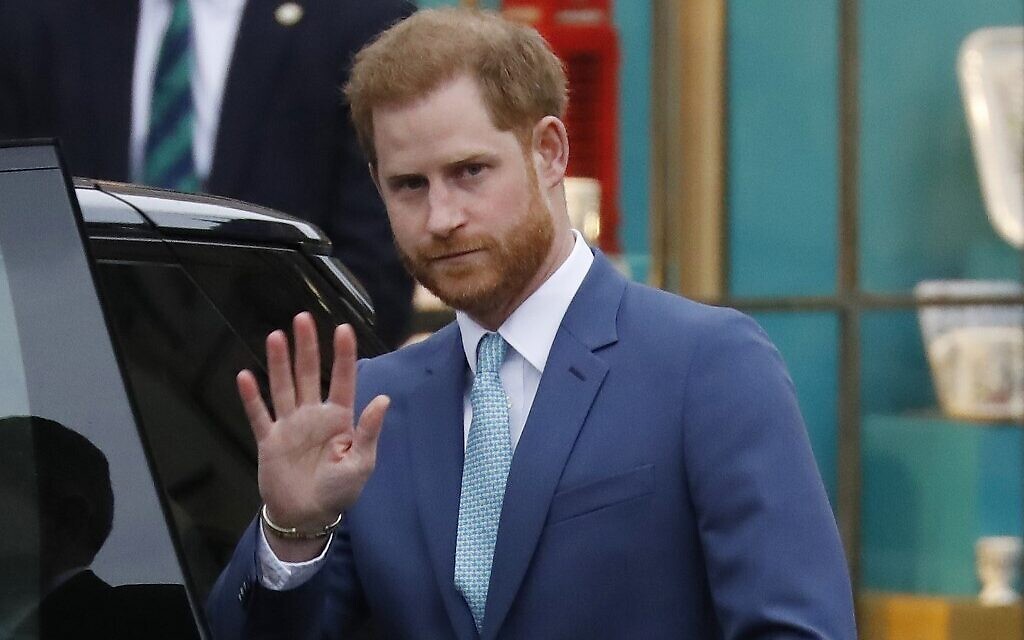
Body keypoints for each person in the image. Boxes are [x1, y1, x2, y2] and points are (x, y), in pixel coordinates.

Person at [206, 8, 857, 638]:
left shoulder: (706, 363)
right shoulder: (376, 406)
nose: (441, 217)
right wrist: (291, 532)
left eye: (470, 172)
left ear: (548, 152)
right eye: (410, 186)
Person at [0, 0, 415, 347]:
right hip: (73, 389)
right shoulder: (35, 17)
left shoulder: (361, 19)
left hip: (284, 400)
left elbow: (375, 275)